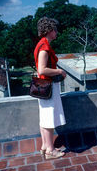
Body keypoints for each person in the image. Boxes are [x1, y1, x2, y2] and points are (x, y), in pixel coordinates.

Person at [34, 17, 67, 159]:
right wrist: (59, 72)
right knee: (48, 118)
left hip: (43, 87)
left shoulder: (41, 44)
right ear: (49, 30)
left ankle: (45, 146)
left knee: (45, 117)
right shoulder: (45, 47)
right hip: (47, 87)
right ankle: (50, 151)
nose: (57, 32)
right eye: (55, 30)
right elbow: (41, 70)